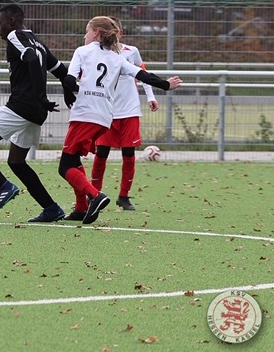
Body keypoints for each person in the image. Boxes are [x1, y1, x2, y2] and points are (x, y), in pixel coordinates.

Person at [59, 16, 182, 224]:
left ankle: (95, 195)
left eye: (87, 31)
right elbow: (143, 75)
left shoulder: (82, 51)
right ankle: (80, 209)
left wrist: (75, 92)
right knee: (74, 160)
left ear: (96, 33)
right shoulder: (117, 58)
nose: (84, 36)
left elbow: (69, 81)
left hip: (84, 115)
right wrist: (166, 85)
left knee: (64, 167)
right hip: (105, 117)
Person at [0, 3, 75, 223]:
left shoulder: (15, 36)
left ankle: (4, 187)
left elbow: (31, 59)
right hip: (37, 112)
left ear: (11, 21)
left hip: (21, 106)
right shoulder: (37, 41)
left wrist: (41, 96)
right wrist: (67, 90)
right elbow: (62, 71)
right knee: (17, 162)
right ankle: (51, 208)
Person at [91, 17, 158, 211]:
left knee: (129, 153)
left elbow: (143, 74)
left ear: (120, 32)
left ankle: (124, 196)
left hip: (129, 110)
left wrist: (150, 96)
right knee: (101, 153)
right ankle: (94, 194)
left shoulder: (132, 51)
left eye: (115, 29)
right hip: (107, 110)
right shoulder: (97, 52)